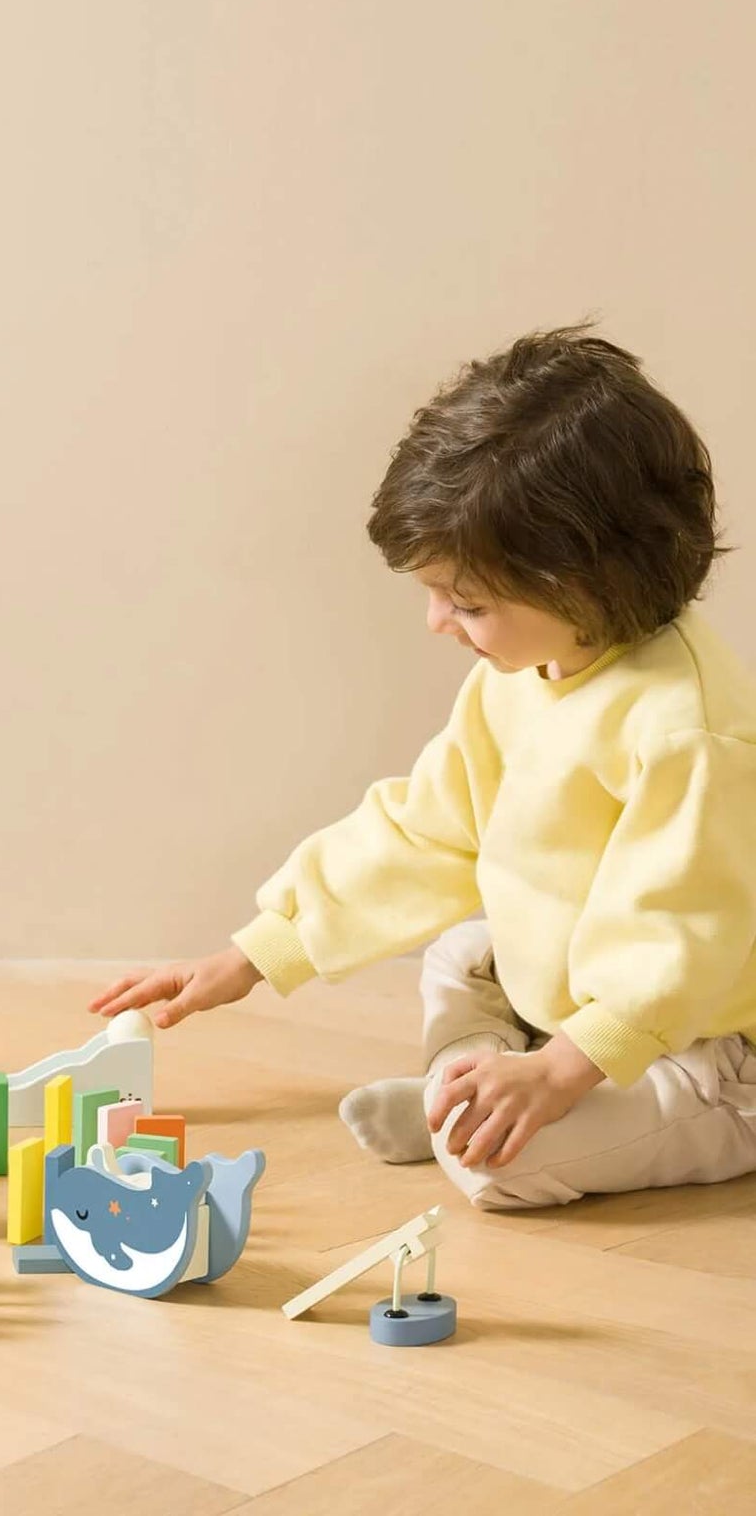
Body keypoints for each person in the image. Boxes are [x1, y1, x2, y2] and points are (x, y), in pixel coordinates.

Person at [89, 325, 756, 1208]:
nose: (437, 622)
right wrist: (253, 956)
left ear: (583, 582)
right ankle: (473, 1088)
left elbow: (678, 940)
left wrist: (562, 1071)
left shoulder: (684, 731)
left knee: (498, 1173)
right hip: (569, 1000)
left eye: (467, 602)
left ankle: (500, 1110)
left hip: (697, 1039)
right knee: (460, 951)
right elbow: (427, 830)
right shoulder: (521, 676)